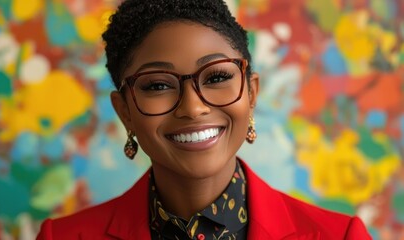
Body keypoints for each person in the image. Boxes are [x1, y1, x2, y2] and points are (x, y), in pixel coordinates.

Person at [37, 0, 372, 239]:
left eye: (215, 78)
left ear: (251, 94)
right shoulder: (64, 236)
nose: (193, 108)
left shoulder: (340, 235)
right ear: (125, 111)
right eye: (157, 85)